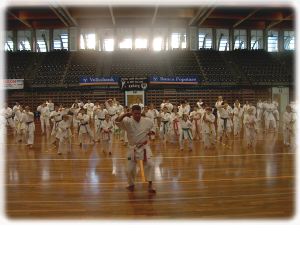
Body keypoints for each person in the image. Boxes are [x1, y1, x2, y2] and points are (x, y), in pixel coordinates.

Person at [115, 105, 156, 193]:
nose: (137, 115)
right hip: (132, 148)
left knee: (150, 164)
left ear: (141, 112)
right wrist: (125, 114)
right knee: (129, 169)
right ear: (132, 113)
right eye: (135, 113)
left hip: (144, 147)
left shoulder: (147, 121)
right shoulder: (127, 121)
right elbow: (117, 122)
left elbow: (153, 127)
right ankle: (131, 184)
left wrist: (152, 132)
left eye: (138, 113)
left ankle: (150, 185)